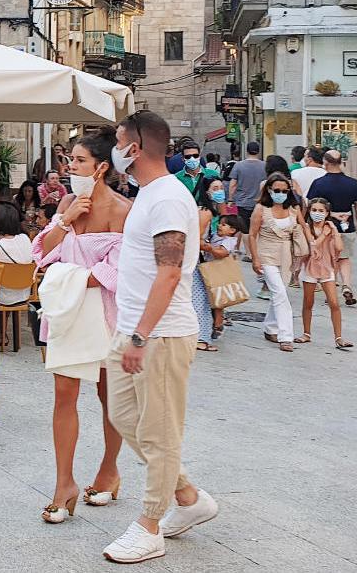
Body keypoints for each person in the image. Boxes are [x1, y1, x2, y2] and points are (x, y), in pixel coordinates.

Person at [102, 111, 216, 564]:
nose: (114, 146)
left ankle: (150, 523)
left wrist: (141, 336)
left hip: (159, 335)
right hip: (133, 329)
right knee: (125, 418)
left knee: (159, 430)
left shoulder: (167, 198)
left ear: (134, 148)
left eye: (117, 139)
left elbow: (170, 272)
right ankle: (187, 496)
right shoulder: (149, 194)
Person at [31, 130, 129, 526]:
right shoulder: (68, 202)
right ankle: (63, 485)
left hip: (106, 314)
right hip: (69, 313)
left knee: (110, 397)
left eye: (79, 161)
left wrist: (66, 277)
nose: (71, 168)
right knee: (64, 395)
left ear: (101, 167)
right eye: (70, 161)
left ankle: (109, 470)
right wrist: (63, 218)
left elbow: (120, 271)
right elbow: (40, 251)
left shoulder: (124, 210)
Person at [249, 172, 302, 352]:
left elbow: (304, 226)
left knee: (280, 292)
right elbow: (252, 235)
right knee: (280, 293)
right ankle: (285, 336)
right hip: (266, 255)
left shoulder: (293, 208)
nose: (281, 193)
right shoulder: (261, 209)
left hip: (286, 255)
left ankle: (270, 327)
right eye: (277, 190)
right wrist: (255, 259)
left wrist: (312, 246)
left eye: (285, 191)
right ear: (269, 190)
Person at [308, 150, 357, 306]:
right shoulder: (353, 184)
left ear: (325, 162)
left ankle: (331, 289)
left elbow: (311, 205)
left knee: (329, 259)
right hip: (347, 226)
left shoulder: (318, 183)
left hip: (325, 226)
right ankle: (347, 285)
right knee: (344, 257)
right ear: (341, 162)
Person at [295, 198, 350, 350]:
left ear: (327, 213)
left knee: (334, 303)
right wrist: (324, 235)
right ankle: (306, 333)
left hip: (327, 269)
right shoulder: (306, 227)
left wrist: (334, 230)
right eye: (314, 210)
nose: (317, 214)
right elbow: (312, 245)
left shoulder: (330, 228)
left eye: (321, 211)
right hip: (310, 268)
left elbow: (339, 248)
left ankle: (339, 337)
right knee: (308, 302)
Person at [191, 181, 240, 352]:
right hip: (196, 261)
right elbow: (196, 239)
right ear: (207, 192)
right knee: (201, 300)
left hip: (199, 260)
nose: (220, 192)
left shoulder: (214, 212)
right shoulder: (205, 213)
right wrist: (212, 248)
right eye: (215, 189)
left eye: (221, 188)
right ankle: (201, 338)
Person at [228, 141, 266, 253]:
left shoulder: (238, 165)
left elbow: (233, 184)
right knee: (258, 228)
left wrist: (230, 199)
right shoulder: (264, 165)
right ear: (258, 151)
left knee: (245, 230)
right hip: (260, 202)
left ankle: (249, 254)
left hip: (242, 202)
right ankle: (257, 252)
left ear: (247, 151)